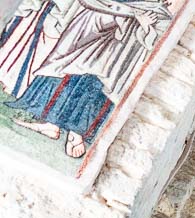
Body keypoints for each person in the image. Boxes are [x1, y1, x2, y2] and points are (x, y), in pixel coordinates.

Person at [6, 0, 170, 160]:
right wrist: (133, 14)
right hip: (90, 25)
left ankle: (76, 134)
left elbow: (159, 30)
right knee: (66, 70)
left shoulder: (152, 6)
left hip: (113, 44)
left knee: (95, 79)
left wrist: (144, 23)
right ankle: (51, 125)